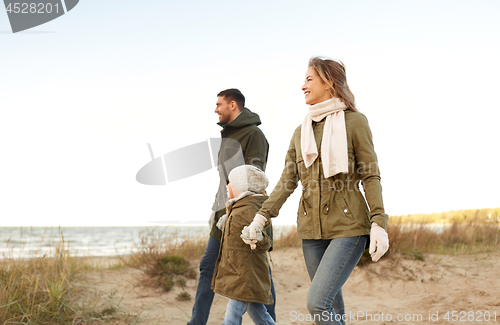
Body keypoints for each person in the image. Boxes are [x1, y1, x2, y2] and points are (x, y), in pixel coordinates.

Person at [243, 57, 390, 325]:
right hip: (311, 231)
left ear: (329, 82)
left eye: (309, 79)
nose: (303, 86)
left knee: (317, 303)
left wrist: (379, 222)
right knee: (332, 309)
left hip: (349, 228)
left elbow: (370, 174)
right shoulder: (300, 133)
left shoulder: (355, 122)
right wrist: (261, 218)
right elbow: (287, 181)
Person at [187, 89, 276, 325]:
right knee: (208, 267)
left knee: (256, 271)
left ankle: (270, 320)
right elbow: (225, 180)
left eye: (219, 104)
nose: (215, 109)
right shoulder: (228, 137)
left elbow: (255, 179)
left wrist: (237, 212)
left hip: (243, 215)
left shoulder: (254, 135)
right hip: (222, 214)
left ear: (233, 105)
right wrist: (217, 211)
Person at [212, 165, 275, 325]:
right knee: (261, 317)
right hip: (241, 273)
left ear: (241, 187)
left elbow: (265, 242)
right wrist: (228, 222)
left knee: (231, 319)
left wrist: (259, 237)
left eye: (230, 183)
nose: (227, 186)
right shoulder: (240, 208)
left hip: (245, 276)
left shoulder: (249, 209)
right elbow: (239, 235)